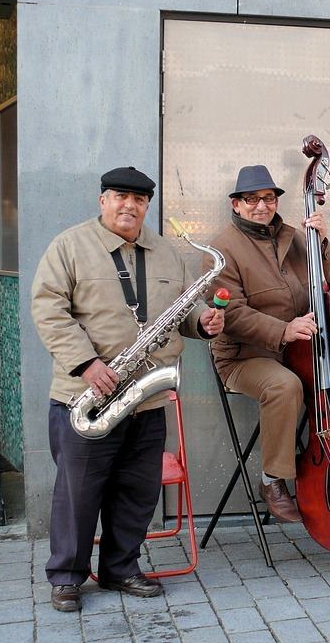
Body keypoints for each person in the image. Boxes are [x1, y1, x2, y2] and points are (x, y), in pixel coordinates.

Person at [31, 167, 224, 613]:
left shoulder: (165, 252)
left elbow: (184, 309)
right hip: (88, 396)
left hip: (145, 398)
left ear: (147, 205)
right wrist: (87, 363)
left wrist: (203, 323)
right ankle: (66, 577)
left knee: (137, 492)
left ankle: (121, 568)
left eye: (138, 199)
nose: (129, 205)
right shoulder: (70, 246)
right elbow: (48, 309)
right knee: (78, 493)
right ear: (103, 200)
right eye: (120, 196)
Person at [204, 165, 330, 523]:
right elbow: (231, 314)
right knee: (284, 386)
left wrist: (322, 243)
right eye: (251, 199)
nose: (261, 206)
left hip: (298, 351)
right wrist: (283, 330)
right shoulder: (222, 250)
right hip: (245, 357)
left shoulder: (295, 237)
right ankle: (273, 480)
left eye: (268, 198)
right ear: (236, 204)